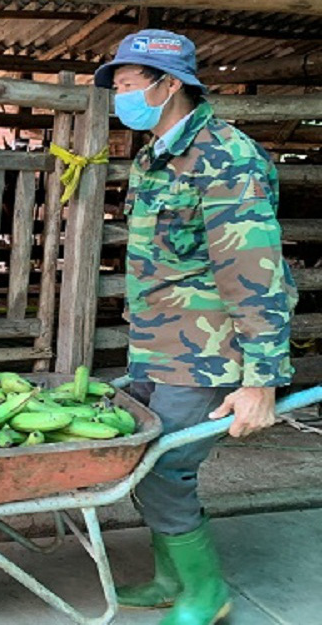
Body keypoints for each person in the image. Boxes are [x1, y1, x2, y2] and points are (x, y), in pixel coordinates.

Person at [93, 29, 298, 625]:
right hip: (158, 343)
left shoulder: (225, 159)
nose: (121, 97)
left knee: (165, 468)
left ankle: (205, 594)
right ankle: (169, 578)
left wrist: (261, 380)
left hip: (206, 352)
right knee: (150, 462)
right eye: (118, 87)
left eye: (130, 85)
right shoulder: (156, 155)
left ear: (171, 85)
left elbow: (253, 273)